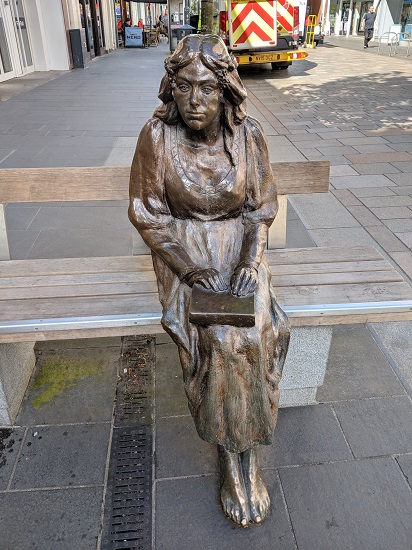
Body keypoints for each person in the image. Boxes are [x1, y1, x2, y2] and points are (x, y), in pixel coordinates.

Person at [129, 34, 290, 527]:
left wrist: (249, 264)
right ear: (171, 89)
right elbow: (146, 213)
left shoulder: (248, 136)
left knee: (258, 331)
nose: (194, 100)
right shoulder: (157, 137)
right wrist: (187, 266)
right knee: (218, 338)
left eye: (206, 88)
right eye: (183, 87)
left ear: (225, 91)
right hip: (182, 249)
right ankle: (229, 454)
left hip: (238, 246)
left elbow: (260, 209)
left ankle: (249, 452)